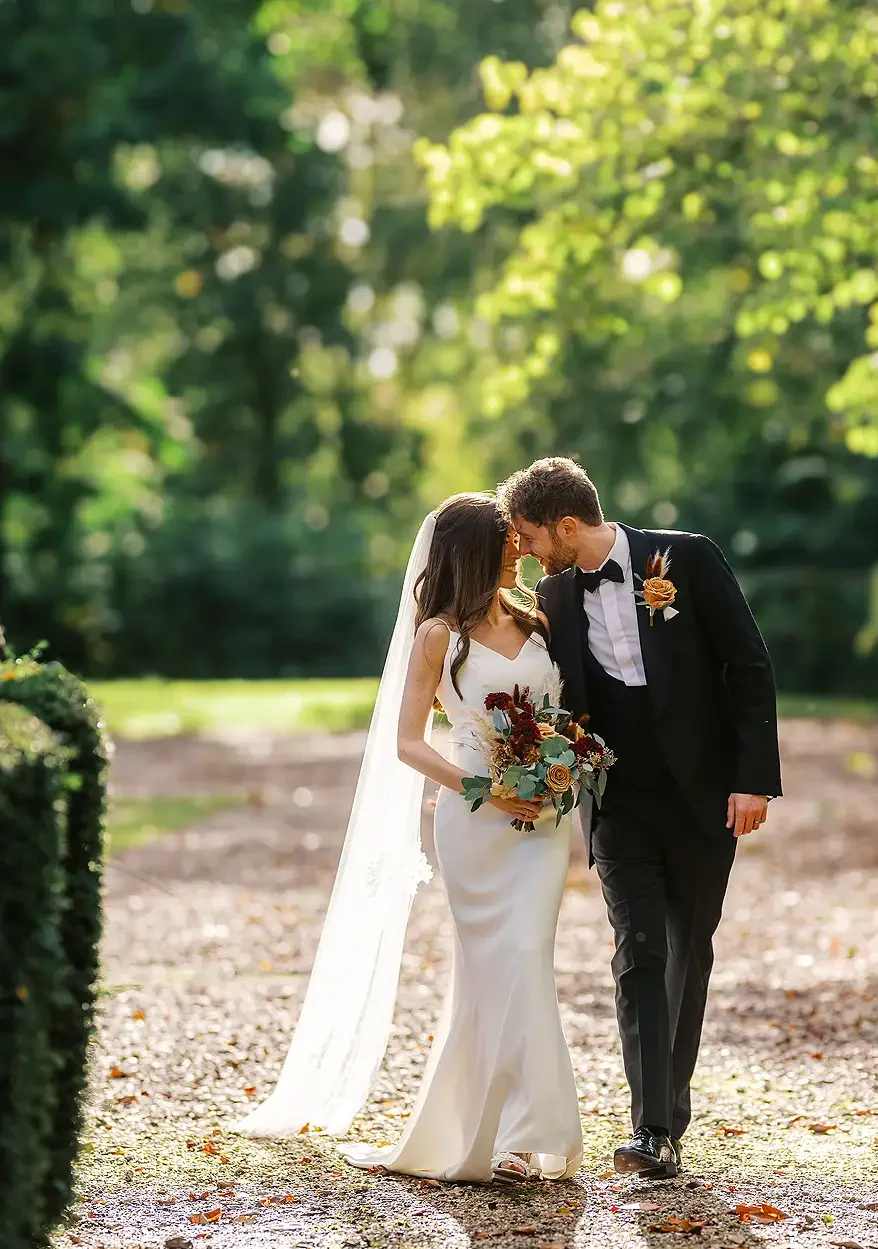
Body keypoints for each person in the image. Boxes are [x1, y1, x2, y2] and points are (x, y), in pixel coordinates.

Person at [236, 494, 582, 1185]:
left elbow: (560, 712)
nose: (522, 546)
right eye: (508, 539)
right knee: (497, 966)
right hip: (475, 820)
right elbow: (404, 743)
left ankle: (518, 1131)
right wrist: (482, 788)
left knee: (526, 958)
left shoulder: (536, 619)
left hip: (542, 821)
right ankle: (508, 1136)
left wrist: (561, 762)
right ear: (477, 551)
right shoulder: (438, 637)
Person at [502, 456, 781, 1181]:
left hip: (702, 795)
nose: (528, 552)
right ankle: (650, 1129)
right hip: (616, 799)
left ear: (568, 524)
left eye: (532, 536)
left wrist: (753, 780)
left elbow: (747, 664)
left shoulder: (685, 557)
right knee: (636, 951)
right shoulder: (554, 596)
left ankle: (670, 1114)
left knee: (688, 950)